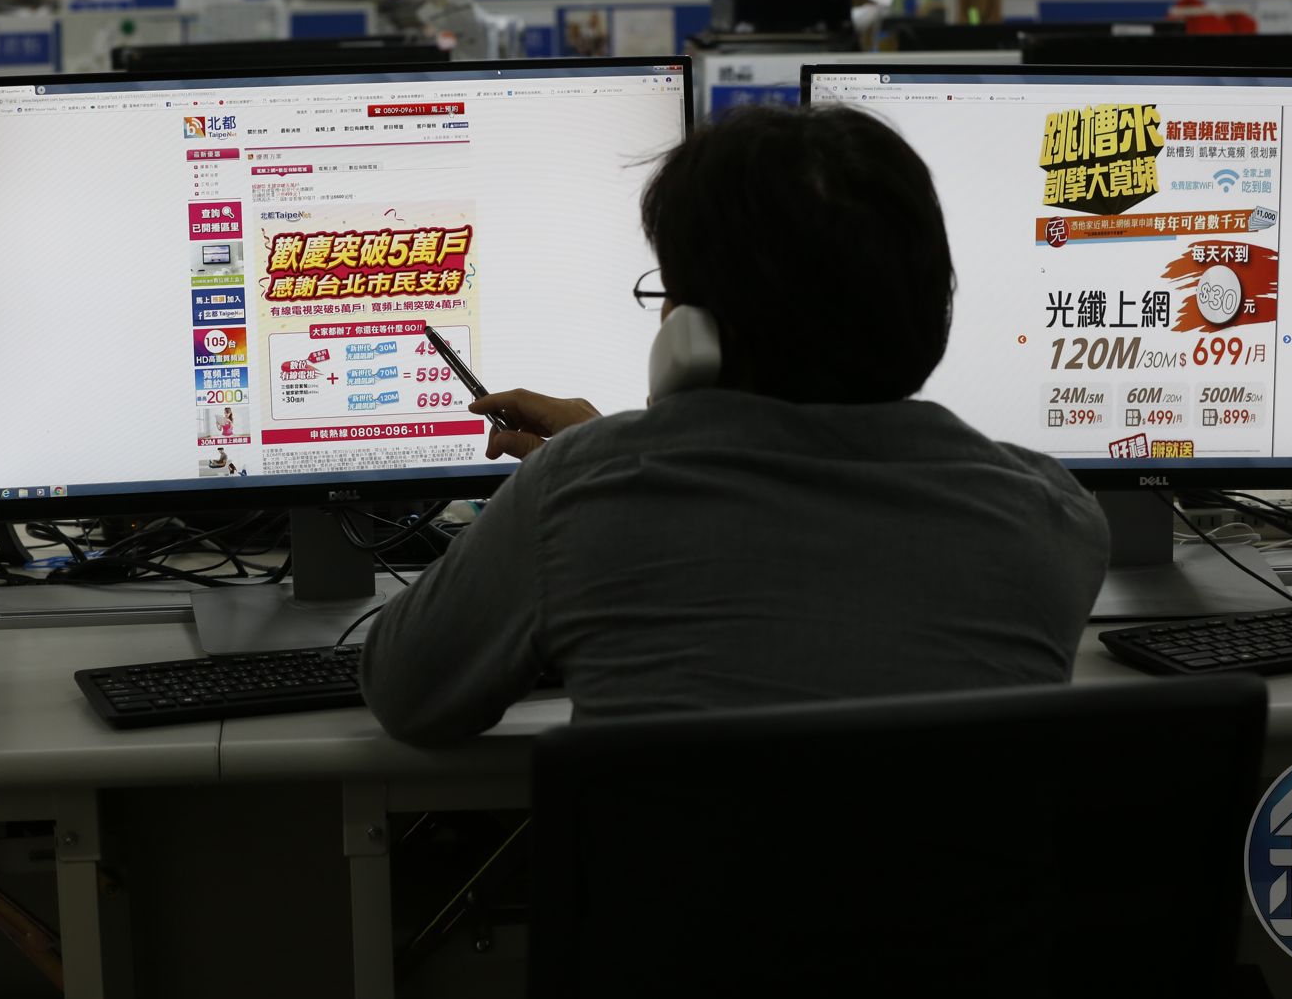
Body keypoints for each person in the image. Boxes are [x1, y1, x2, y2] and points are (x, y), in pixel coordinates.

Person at [361, 105, 1110, 744]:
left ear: (689, 334)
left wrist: (603, 460)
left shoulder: (580, 492)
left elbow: (405, 694)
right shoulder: (1055, 517)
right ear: (931, 311)